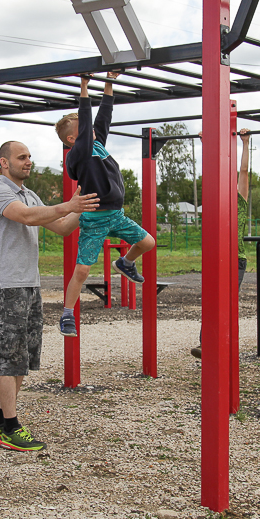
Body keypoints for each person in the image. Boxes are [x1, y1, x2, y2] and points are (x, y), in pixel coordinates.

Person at [0, 140, 99, 451]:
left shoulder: (30, 194)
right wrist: (69, 205)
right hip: (7, 287)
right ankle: (10, 427)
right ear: (4, 163)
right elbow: (28, 217)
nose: (28, 162)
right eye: (22, 157)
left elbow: (60, 226)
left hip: (29, 286)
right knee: (9, 358)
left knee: (24, 358)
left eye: (30, 157)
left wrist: (83, 208)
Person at [54, 72, 155, 337]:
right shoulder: (78, 153)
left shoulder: (97, 144)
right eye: (84, 131)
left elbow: (103, 116)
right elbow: (87, 120)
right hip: (95, 219)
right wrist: (84, 86)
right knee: (83, 269)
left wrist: (109, 81)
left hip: (117, 215)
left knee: (148, 243)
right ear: (72, 140)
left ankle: (125, 263)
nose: (93, 131)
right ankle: (67, 314)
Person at [190, 127, 251, 358]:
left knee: (226, 301)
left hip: (236, 259)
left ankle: (224, 344)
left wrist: (245, 143)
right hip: (216, 258)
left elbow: (243, 171)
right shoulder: (215, 198)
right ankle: (206, 344)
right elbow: (212, 170)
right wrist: (207, 144)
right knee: (211, 301)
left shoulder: (240, 200)